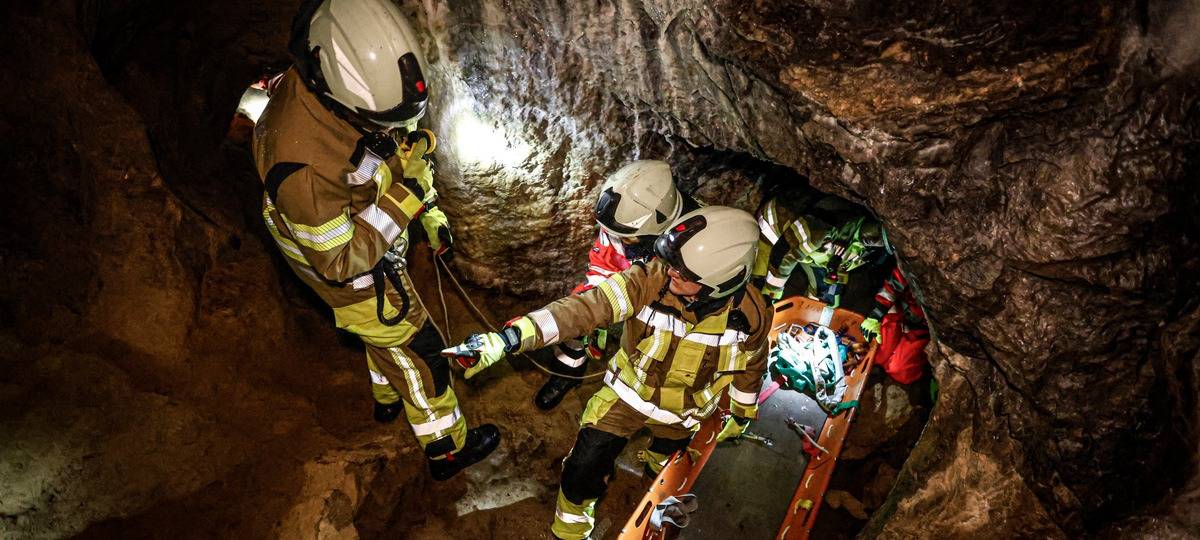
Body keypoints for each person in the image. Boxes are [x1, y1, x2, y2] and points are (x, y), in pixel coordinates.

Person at [252, 0, 498, 481]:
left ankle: (386, 401)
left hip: (341, 235)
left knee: (382, 345)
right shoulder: (304, 173)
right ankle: (447, 447)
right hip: (353, 275)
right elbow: (340, 261)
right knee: (420, 351)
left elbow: (366, 167)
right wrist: (411, 196)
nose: (393, 131)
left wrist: (417, 184)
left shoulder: (322, 92)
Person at [444, 206, 771, 540]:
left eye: (683, 273)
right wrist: (509, 339)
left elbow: (752, 366)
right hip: (627, 397)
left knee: (665, 466)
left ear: (721, 283)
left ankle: (654, 486)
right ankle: (570, 534)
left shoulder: (751, 318)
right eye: (672, 263)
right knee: (582, 469)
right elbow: (587, 308)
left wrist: (741, 414)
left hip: (683, 416)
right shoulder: (649, 280)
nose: (671, 272)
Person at [535, 160, 702, 410]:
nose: (618, 239)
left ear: (654, 228)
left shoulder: (698, 244)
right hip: (631, 285)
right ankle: (568, 371)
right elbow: (605, 261)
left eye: (627, 237)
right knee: (579, 309)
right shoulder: (624, 220)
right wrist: (595, 301)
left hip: (666, 310)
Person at [752, 195, 886, 307]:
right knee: (759, 286)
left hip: (811, 254)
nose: (876, 239)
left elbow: (839, 270)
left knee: (825, 299)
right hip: (774, 229)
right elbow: (785, 253)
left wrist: (830, 302)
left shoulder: (868, 250)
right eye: (879, 230)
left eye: (883, 241)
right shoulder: (825, 226)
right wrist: (770, 295)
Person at [860, 263, 929, 384]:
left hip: (922, 329)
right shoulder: (919, 264)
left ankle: (918, 364)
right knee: (876, 354)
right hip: (900, 314)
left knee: (900, 371)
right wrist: (875, 316)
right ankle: (889, 360)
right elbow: (895, 282)